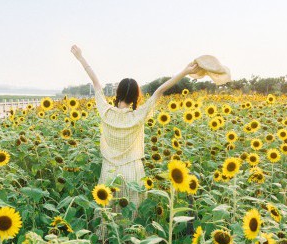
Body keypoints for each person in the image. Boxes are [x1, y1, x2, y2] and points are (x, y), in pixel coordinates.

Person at [71, 45, 199, 211]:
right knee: (133, 214)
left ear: (118, 92)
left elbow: (96, 83)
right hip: (132, 170)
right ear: (135, 97)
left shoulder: (106, 112)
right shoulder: (138, 117)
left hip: (109, 169)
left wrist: (80, 57)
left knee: (107, 213)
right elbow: (160, 90)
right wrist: (185, 71)